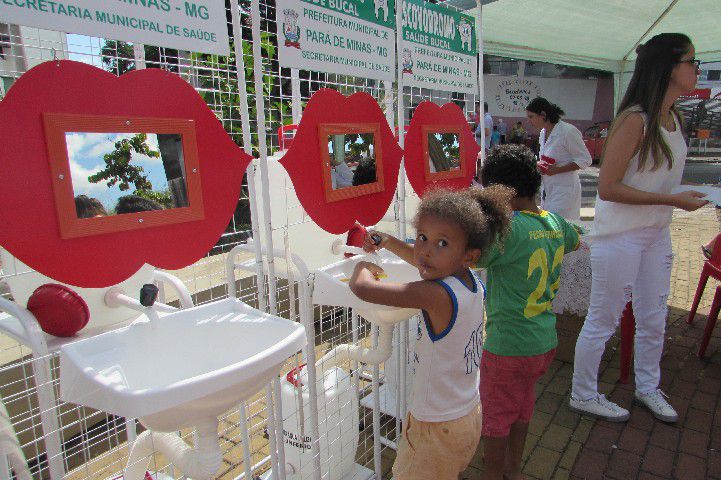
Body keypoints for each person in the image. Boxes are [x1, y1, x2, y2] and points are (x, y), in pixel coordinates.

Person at [570, 33, 707, 423]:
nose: (696, 69)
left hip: (655, 234)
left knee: (653, 316)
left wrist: (680, 193)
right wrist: (673, 200)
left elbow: (652, 181)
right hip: (619, 238)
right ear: (668, 67)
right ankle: (583, 393)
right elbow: (609, 188)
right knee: (603, 319)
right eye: (691, 62)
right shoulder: (635, 120)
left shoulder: (673, 117)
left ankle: (648, 387)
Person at [353, 186, 513, 480]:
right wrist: (388, 241)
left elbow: (364, 290)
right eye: (423, 237)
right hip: (467, 414)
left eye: (442, 243)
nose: (426, 250)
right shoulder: (470, 282)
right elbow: (425, 262)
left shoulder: (435, 294)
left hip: (435, 427)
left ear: (468, 256)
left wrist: (362, 267)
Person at [476, 144, 580, 480]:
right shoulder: (553, 222)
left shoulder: (507, 232)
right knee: (522, 409)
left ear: (500, 193)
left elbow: (472, 258)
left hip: (507, 346)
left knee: (494, 419)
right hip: (543, 342)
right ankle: (513, 470)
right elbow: (574, 239)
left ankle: (492, 475)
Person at [526, 97, 592, 221]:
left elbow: (585, 160)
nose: (529, 121)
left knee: (559, 226)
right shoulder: (543, 133)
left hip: (565, 190)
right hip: (548, 189)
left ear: (543, 115)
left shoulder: (568, 131)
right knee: (549, 226)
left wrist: (557, 170)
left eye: (531, 117)